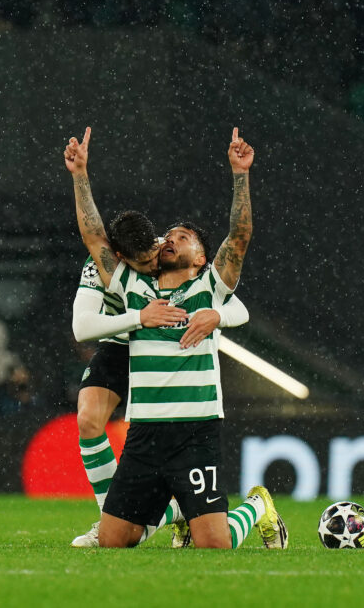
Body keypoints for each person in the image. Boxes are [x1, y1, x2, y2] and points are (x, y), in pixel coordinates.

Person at [64, 126, 286, 550]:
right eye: (168, 236)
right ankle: (171, 513)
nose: (170, 240)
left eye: (183, 237)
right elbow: (94, 236)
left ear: (201, 257)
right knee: (113, 542)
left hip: (195, 432)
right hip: (144, 433)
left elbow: (239, 237)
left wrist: (240, 174)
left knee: (214, 546)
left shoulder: (210, 287)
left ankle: (256, 505)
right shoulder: (131, 284)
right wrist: (80, 175)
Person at [69, 211, 252, 548]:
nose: (152, 261)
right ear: (123, 258)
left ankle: (241, 508)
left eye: (155, 254)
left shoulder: (174, 259)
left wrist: (218, 316)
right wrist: (139, 317)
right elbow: (82, 327)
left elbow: (239, 307)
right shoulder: (108, 269)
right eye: (143, 262)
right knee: (87, 420)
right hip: (123, 336)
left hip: (186, 409)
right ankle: (113, 516)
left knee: (213, 542)